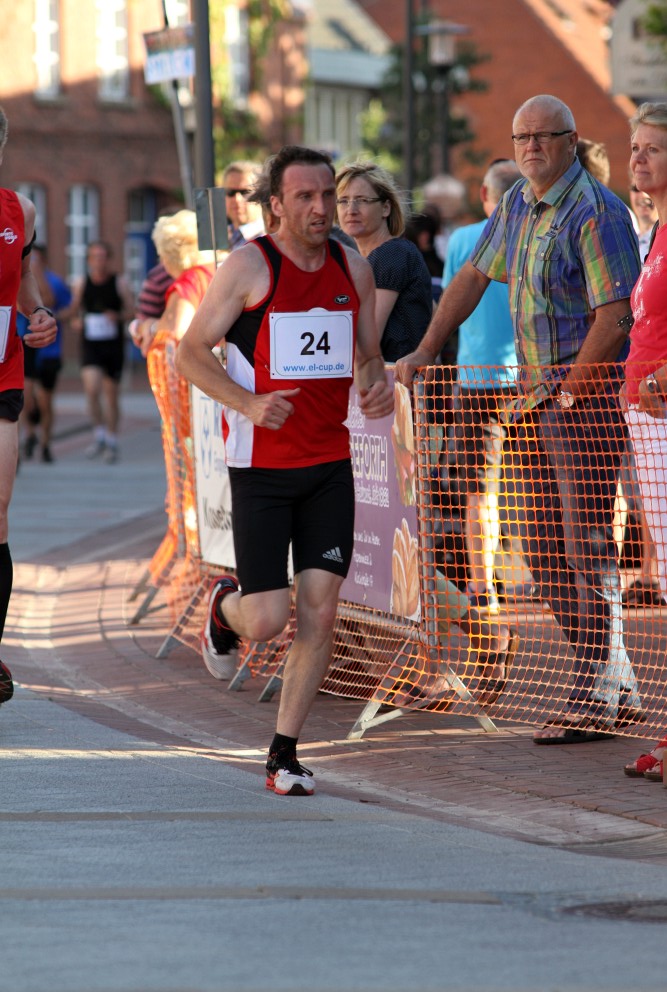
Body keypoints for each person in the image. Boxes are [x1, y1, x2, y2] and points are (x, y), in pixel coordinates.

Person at [396, 94, 644, 745]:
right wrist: (425, 348)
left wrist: (571, 392)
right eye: (521, 137)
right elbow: (472, 277)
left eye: (543, 136)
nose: (531, 147)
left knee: (585, 545)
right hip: (532, 402)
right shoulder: (516, 203)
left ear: (570, 140)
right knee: (538, 548)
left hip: (584, 402)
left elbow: (616, 315)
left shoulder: (596, 213)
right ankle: (611, 680)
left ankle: (598, 689)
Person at [176, 145, 394, 796]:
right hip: (262, 468)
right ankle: (225, 610)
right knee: (268, 619)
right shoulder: (250, 266)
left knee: (320, 612)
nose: (322, 208)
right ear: (276, 205)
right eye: (306, 197)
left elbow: (368, 357)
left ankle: (284, 754)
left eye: (328, 195)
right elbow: (191, 352)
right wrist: (247, 403)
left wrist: (375, 387)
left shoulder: (352, 268)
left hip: (328, 464)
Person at [440, 159, 521, 613]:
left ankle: (481, 584)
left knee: (479, 489)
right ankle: (540, 577)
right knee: (532, 484)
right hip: (527, 376)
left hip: (474, 379)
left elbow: (452, 300)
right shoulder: (532, 234)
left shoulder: (463, 239)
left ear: (485, 195)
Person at [0, 105, 57, 705]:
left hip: (2, 374)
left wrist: (36, 314)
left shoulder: (21, 211)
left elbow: (23, 279)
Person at [620, 102, 667, 780]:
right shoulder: (655, 231)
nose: (638, 157)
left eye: (653, 147)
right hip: (646, 417)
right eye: (634, 147)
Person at [335, 161, 433, 362]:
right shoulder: (364, 259)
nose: (351, 209)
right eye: (343, 201)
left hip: (396, 379)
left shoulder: (391, 253)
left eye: (362, 200)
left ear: (386, 208)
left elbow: (366, 343)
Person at [68, 240, 134, 464]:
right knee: (92, 389)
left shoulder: (119, 283)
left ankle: (112, 440)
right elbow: (73, 311)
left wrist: (118, 317)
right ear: (89, 260)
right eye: (95, 257)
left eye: (103, 257)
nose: (99, 261)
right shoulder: (81, 283)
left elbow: (132, 311)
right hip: (91, 345)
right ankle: (99, 434)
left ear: (109, 259)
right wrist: (76, 322)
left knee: (111, 395)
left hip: (113, 346)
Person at [18, 244, 71, 463]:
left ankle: (46, 443)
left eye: (37, 260)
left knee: (45, 401)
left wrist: (37, 275)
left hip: (50, 350)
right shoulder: (20, 282)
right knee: (25, 398)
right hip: (27, 346)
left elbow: (57, 304)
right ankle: (28, 436)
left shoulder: (55, 282)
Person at [222, 160, 265, 250]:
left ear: (261, 196)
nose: (237, 199)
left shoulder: (269, 240)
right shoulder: (218, 239)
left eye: (245, 192)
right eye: (231, 192)